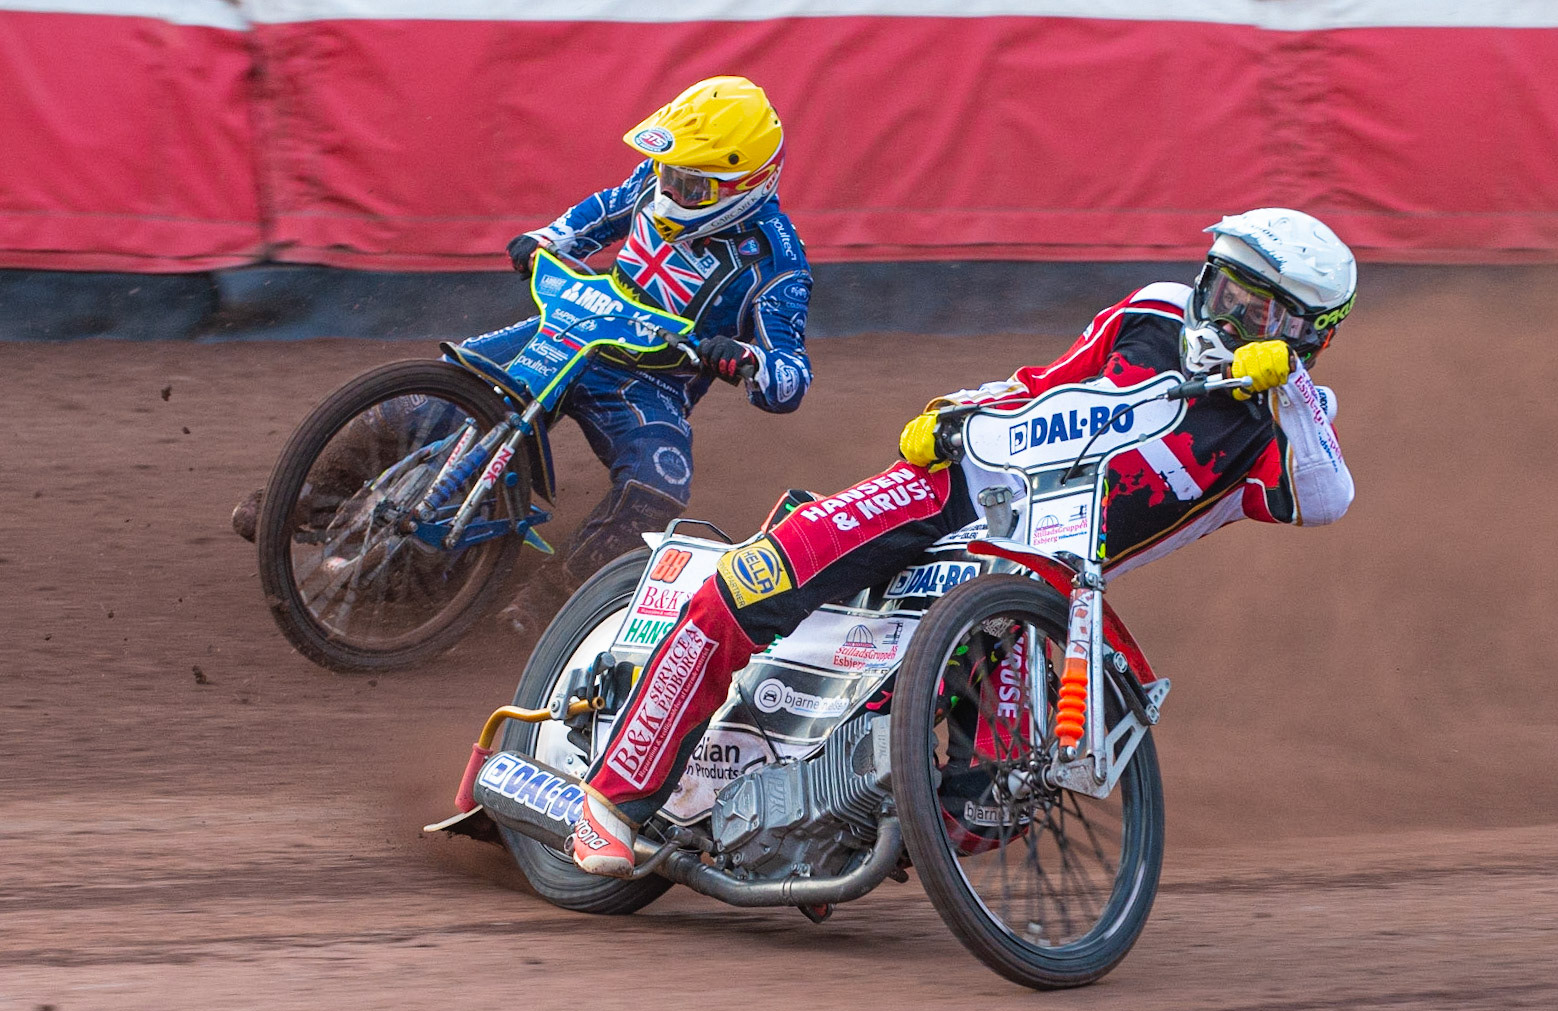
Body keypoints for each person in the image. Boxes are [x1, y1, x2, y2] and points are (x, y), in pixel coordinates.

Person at [567, 207, 1359, 877]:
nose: (1227, 318)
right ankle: (613, 799)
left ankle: (829, 823)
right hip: (954, 487)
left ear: (1309, 334)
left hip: (1032, 576)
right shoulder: (1152, 311)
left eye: (1258, 313)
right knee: (754, 580)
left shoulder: (1285, 431)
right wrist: (955, 411)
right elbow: (1044, 382)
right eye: (1225, 291)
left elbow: (1328, 500)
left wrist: (1287, 387)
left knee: (990, 805)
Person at [234, 75, 814, 631]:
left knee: (658, 487)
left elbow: (791, 375)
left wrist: (746, 359)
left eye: (691, 186)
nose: (670, 192)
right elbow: (603, 210)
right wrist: (547, 238)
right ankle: (305, 497)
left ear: (749, 185)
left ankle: (555, 602)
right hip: (576, 320)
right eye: (668, 173)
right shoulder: (658, 180)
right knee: (440, 384)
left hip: (649, 380)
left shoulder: (778, 262)